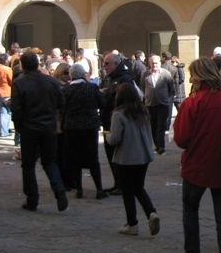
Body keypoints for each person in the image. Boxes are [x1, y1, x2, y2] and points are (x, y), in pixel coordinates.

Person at [172, 57, 221, 253]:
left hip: (197, 165)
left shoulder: (193, 102)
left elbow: (181, 138)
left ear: (198, 76)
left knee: (190, 210)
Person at [11, 51, 68, 212]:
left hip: (29, 127)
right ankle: (58, 187)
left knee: (28, 164)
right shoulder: (50, 81)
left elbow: (16, 108)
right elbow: (61, 102)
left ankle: (32, 199)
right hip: (48, 126)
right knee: (49, 161)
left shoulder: (20, 83)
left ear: (22, 65)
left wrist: (19, 126)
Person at [107, 83, 159, 236]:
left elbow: (115, 138)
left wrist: (108, 136)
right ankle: (151, 213)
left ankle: (132, 223)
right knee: (138, 187)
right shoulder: (143, 112)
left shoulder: (119, 114)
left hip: (126, 157)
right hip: (143, 156)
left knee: (128, 191)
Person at [61, 63, 108, 199]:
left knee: (75, 159)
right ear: (83, 74)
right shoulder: (91, 88)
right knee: (93, 158)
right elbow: (102, 103)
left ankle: (79, 190)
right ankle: (99, 189)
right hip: (89, 127)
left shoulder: (66, 90)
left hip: (71, 128)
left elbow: (61, 107)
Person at [100, 52, 136, 195]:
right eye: (104, 63)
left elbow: (126, 99)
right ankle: (117, 182)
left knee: (118, 154)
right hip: (107, 120)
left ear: (116, 63)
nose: (105, 66)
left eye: (107, 63)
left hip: (118, 121)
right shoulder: (109, 78)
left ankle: (123, 184)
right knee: (110, 154)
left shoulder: (125, 78)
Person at [142, 55, 175, 156]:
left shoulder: (166, 74)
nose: (154, 65)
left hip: (163, 104)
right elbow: (142, 87)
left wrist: (168, 99)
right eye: (153, 63)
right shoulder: (145, 74)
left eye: (156, 63)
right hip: (150, 104)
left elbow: (171, 88)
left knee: (161, 126)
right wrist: (146, 97)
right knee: (153, 126)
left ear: (159, 64)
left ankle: (161, 147)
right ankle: (157, 145)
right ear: (150, 64)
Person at [0, 53, 13, 138]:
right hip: (7, 92)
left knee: (1, 112)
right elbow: (11, 81)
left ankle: (2, 129)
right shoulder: (7, 69)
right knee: (6, 113)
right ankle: (4, 131)